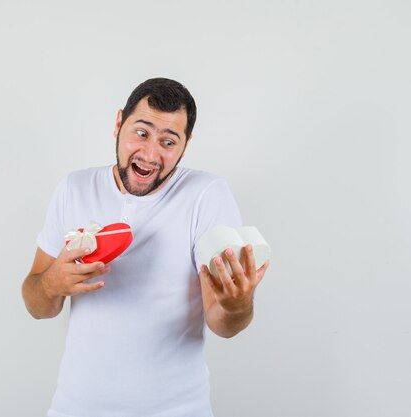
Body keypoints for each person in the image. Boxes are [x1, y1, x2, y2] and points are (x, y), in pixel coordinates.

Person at [22, 78, 269, 417]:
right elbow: (37, 304)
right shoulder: (73, 188)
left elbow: (222, 323)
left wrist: (238, 305)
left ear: (186, 145)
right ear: (118, 123)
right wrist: (51, 284)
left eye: (168, 141)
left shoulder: (206, 194)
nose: (151, 154)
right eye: (141, 133)